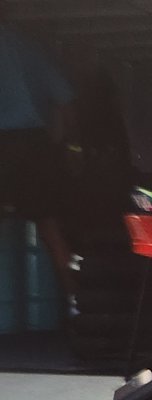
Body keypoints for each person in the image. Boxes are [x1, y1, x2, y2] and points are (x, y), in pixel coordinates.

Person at [0, 16, 78, 301]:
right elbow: (66, 101)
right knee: (49, 225)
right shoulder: (30, 47)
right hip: (34, 143)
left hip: (4, 143)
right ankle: (76, 302)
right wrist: (70, 146)